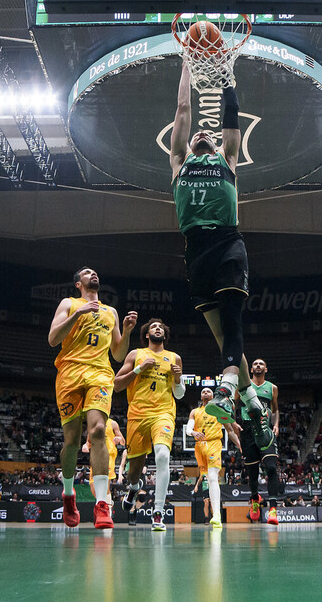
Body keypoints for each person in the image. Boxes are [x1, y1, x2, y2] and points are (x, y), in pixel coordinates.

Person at [168, 59, 272, 454]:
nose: (202, 132)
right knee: (221, 336)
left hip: (228, 242)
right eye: (198, 133)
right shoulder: (180, 163)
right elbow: (182, 110)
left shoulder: (227, 159)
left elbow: (231, 122)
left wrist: (228, 78)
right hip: (195, 251)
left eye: (208, 133)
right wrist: (186, 65)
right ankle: (251, 403)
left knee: (231, 320)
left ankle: (227, 391)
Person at [47, 266, 138, 529]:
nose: (93, 274)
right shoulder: (69, 303)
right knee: (72, 443)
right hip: (70, 373)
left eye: (95, 271)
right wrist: (78, 314)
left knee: (98, 430)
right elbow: (53, 338)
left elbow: (119, 355)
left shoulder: (111, 312)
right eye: (87, 272)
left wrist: (128, 330)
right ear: (78, 284)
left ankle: (101, 504)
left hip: (100, 373)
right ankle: (68, 494)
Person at [113, 318, 183, 531]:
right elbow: (116, 385)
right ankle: (134, 488)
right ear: (146, 334)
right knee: (134, 470)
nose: (158, 328)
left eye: (161, 327)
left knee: (162, 455)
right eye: (154, 327)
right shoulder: (136, 355)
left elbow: (179, 395)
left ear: (165, 334)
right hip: (137, 415)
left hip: (163, 413)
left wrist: (178, 380)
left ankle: (158, 512)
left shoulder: (174, 358)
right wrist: (138, 369)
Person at [187, 388, 241, 528]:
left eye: (208, 391)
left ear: (213, 396)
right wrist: (193, 432)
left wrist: (240, 445)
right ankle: (215, 514)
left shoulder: (218, 411)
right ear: (200, 395)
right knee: (207, 479)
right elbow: (188, 429)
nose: (205, 393)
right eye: (203, 391)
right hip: (199, 447)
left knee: (212, 477)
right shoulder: (195, 412)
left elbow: (229, 430)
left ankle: (216, 515)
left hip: (214, 444)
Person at [244, 358, 282, 524]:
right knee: (252, 474)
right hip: (247, 431)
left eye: (261, 364)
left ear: (266, 369)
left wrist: (276, 424)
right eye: (255, 364)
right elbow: (232, 405)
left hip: (266, 430)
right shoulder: (244, 387)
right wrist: (233, 423)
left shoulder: (272, 388)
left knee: (272, 468)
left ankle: (273, 509)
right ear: (251, 369)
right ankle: (254, 500)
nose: (258, 366)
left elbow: (275, 409)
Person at [82, 417, 125, 507]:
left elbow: (123, 442)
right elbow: (88, 442)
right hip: (96, 457)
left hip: (108, 456)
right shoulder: (93, 423)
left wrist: (119, 439)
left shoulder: (113, 423)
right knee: (94, 489)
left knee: (104, 486)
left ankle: (107, 510)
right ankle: (108, 503)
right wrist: (86, 446)